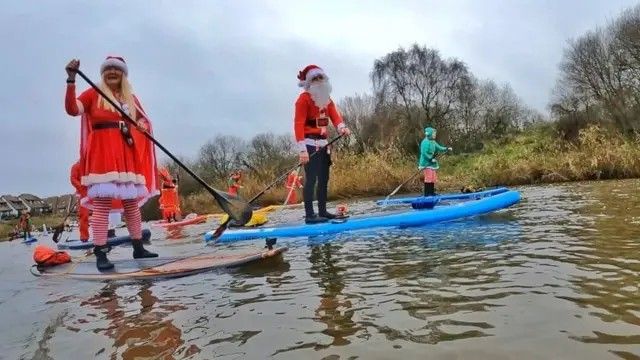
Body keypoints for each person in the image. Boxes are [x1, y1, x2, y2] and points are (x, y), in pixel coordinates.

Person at [65, 55, 158, 271]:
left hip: (126, 153)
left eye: (116, 69)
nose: (112, 72)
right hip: (102, 153)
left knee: (131, 204)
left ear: (123, 74)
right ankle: (101, 252)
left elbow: (143, 120)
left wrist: (143, 125)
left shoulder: (130, 99)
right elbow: (72, 109)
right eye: (108, 70)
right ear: (103, 73)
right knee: (103, 203)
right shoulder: (92, 94)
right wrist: (71, 80)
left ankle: (138, 247)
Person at [294, 64, 350, 223]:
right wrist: (302, 150)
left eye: (321, 78)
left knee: (324, 179)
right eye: (315, 79)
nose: (319, 81)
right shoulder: (303, 100)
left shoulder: (328, 100)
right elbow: (298, 124)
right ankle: (310, 215)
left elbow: (335, 117)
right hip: (309, 144)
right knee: (311, 179)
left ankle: (323, 212)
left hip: (324, 144)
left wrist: (342, 127)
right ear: (309, 83)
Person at [418, 127, 452, 197]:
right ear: (429, 134)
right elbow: (424, 153)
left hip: (432, 162)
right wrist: (430, 159)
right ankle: (427, 194)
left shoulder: (433, 141)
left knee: (433, 178)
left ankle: (431, 193)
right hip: (426, 163)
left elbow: (439, 147)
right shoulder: (425, 142)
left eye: (435, 134)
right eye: (433, 134)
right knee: (429, 177)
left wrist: (446, 148)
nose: (435, 135)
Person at [70, 160, 90, 242]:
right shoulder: (76, 166)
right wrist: (82, 188)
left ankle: (107, 233)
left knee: (101, 213)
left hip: (95, 192)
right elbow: (73, 179)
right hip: (82, 194)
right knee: (84, 215)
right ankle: (84, 237)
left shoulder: (92, 164)